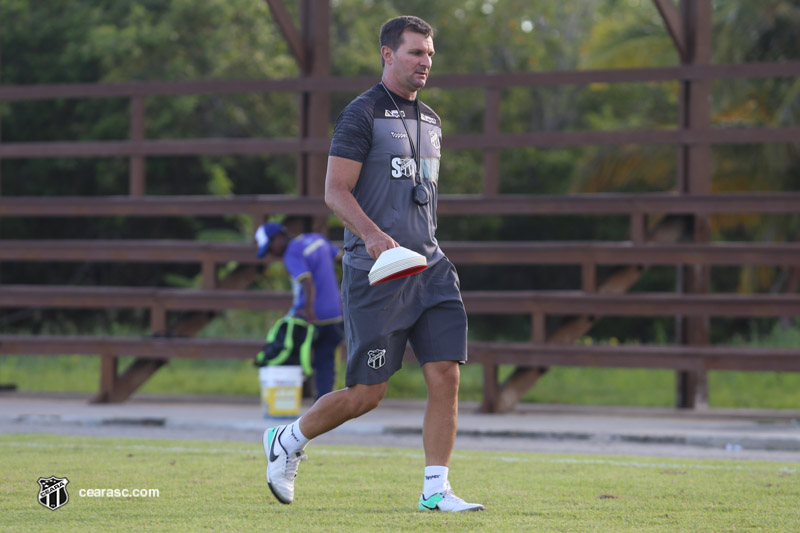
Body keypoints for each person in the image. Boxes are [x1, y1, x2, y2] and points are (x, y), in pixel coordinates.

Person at [262, 16, 485, 512]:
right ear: (387, 54)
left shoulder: (432, 121)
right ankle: (287, 439)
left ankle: (435, 489)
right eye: (415, 53)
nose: (425, 62)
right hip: (376, 273)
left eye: (429, 53)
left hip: (430, 267)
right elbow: (333, 191)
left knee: (446, 373)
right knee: (367, 394)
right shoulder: (359, 115)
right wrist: (373, 236)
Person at [255, 221, 343, 399]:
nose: (272, 253)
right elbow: (343, 259)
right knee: (325, 362)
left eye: (270, 247)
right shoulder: (317, 239)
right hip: (336, 314)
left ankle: (291, 398)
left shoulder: (292, 253)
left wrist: (309, 309)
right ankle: (324, 403)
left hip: (311, 317)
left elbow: (306, 281)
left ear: (278, 238)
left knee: (288, 353)